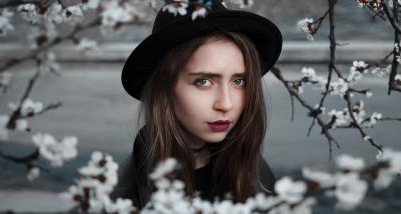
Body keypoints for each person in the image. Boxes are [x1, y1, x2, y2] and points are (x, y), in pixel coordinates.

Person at [111, 0, 283, 209]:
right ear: (164, 89)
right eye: (203, 82)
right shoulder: (123, 198)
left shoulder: (256, 175)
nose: (226, 104)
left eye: (239, 81)